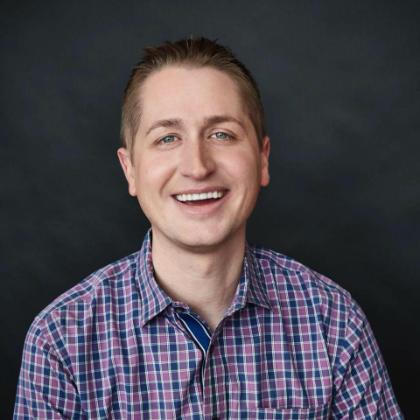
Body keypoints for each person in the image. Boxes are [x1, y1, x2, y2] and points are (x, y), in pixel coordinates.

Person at [14, 37, 403, 419]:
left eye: (222, 134)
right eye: (167, 138)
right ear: (130, 169)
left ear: (262, 159)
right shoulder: (61, 340)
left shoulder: (333, 322)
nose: (197, 166)